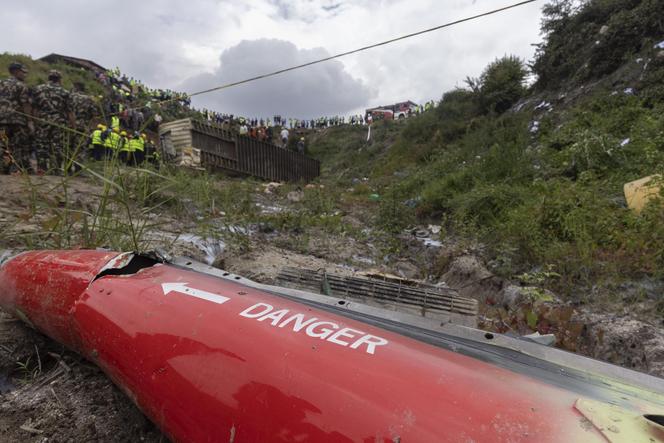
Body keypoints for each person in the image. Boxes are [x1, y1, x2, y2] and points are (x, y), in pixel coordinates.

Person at [33, 70, 74, 174]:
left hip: (42, 120)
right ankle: (55, 169)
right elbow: (70, 111)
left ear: (49, 78)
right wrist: (72, 126)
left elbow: (35, 108)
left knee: (41, 144)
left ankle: (41, 168)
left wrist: (34, 122)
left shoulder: (39, 89)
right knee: (57, 146)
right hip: (59, 122)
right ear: (60, 79)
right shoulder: (65, 92)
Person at [0, 62, 34, 173]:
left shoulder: (1, 83)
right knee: (17, 146)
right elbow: (26, 105)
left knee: (3, 145)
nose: (24, 74)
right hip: (17, 122)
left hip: (2, 120)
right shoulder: (22, 86)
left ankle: (4, 169)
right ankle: (15, 170)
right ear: (15, 71)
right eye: (22, 72)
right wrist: (30, 121)